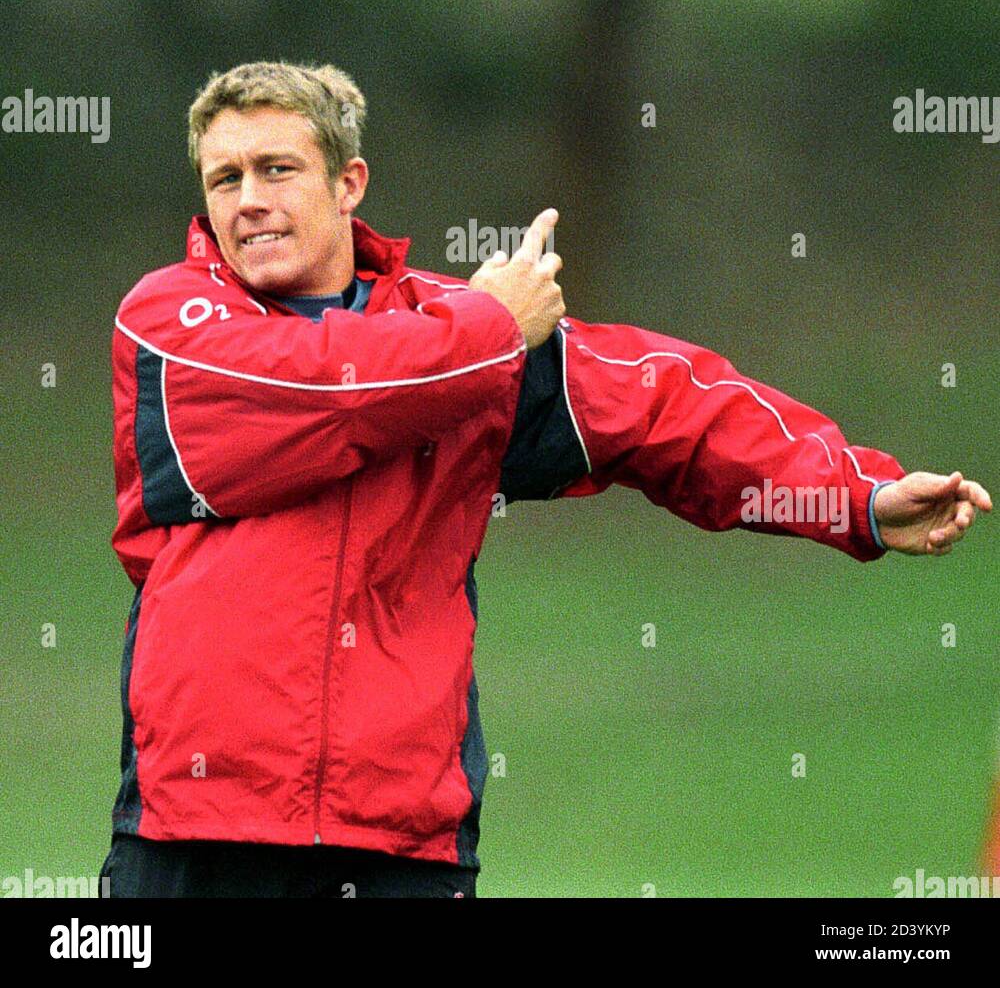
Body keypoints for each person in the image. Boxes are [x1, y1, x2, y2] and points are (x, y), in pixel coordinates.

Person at [100, 60, 991, 898]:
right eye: (225, 179)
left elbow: (662, 406)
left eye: (276, 169)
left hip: (398, 836)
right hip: (194, 828)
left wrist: (857, 499)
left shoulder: (462, 337)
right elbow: (336, 387)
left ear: (349, 184)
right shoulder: (169, 327)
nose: (249, 201)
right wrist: (490, 327)